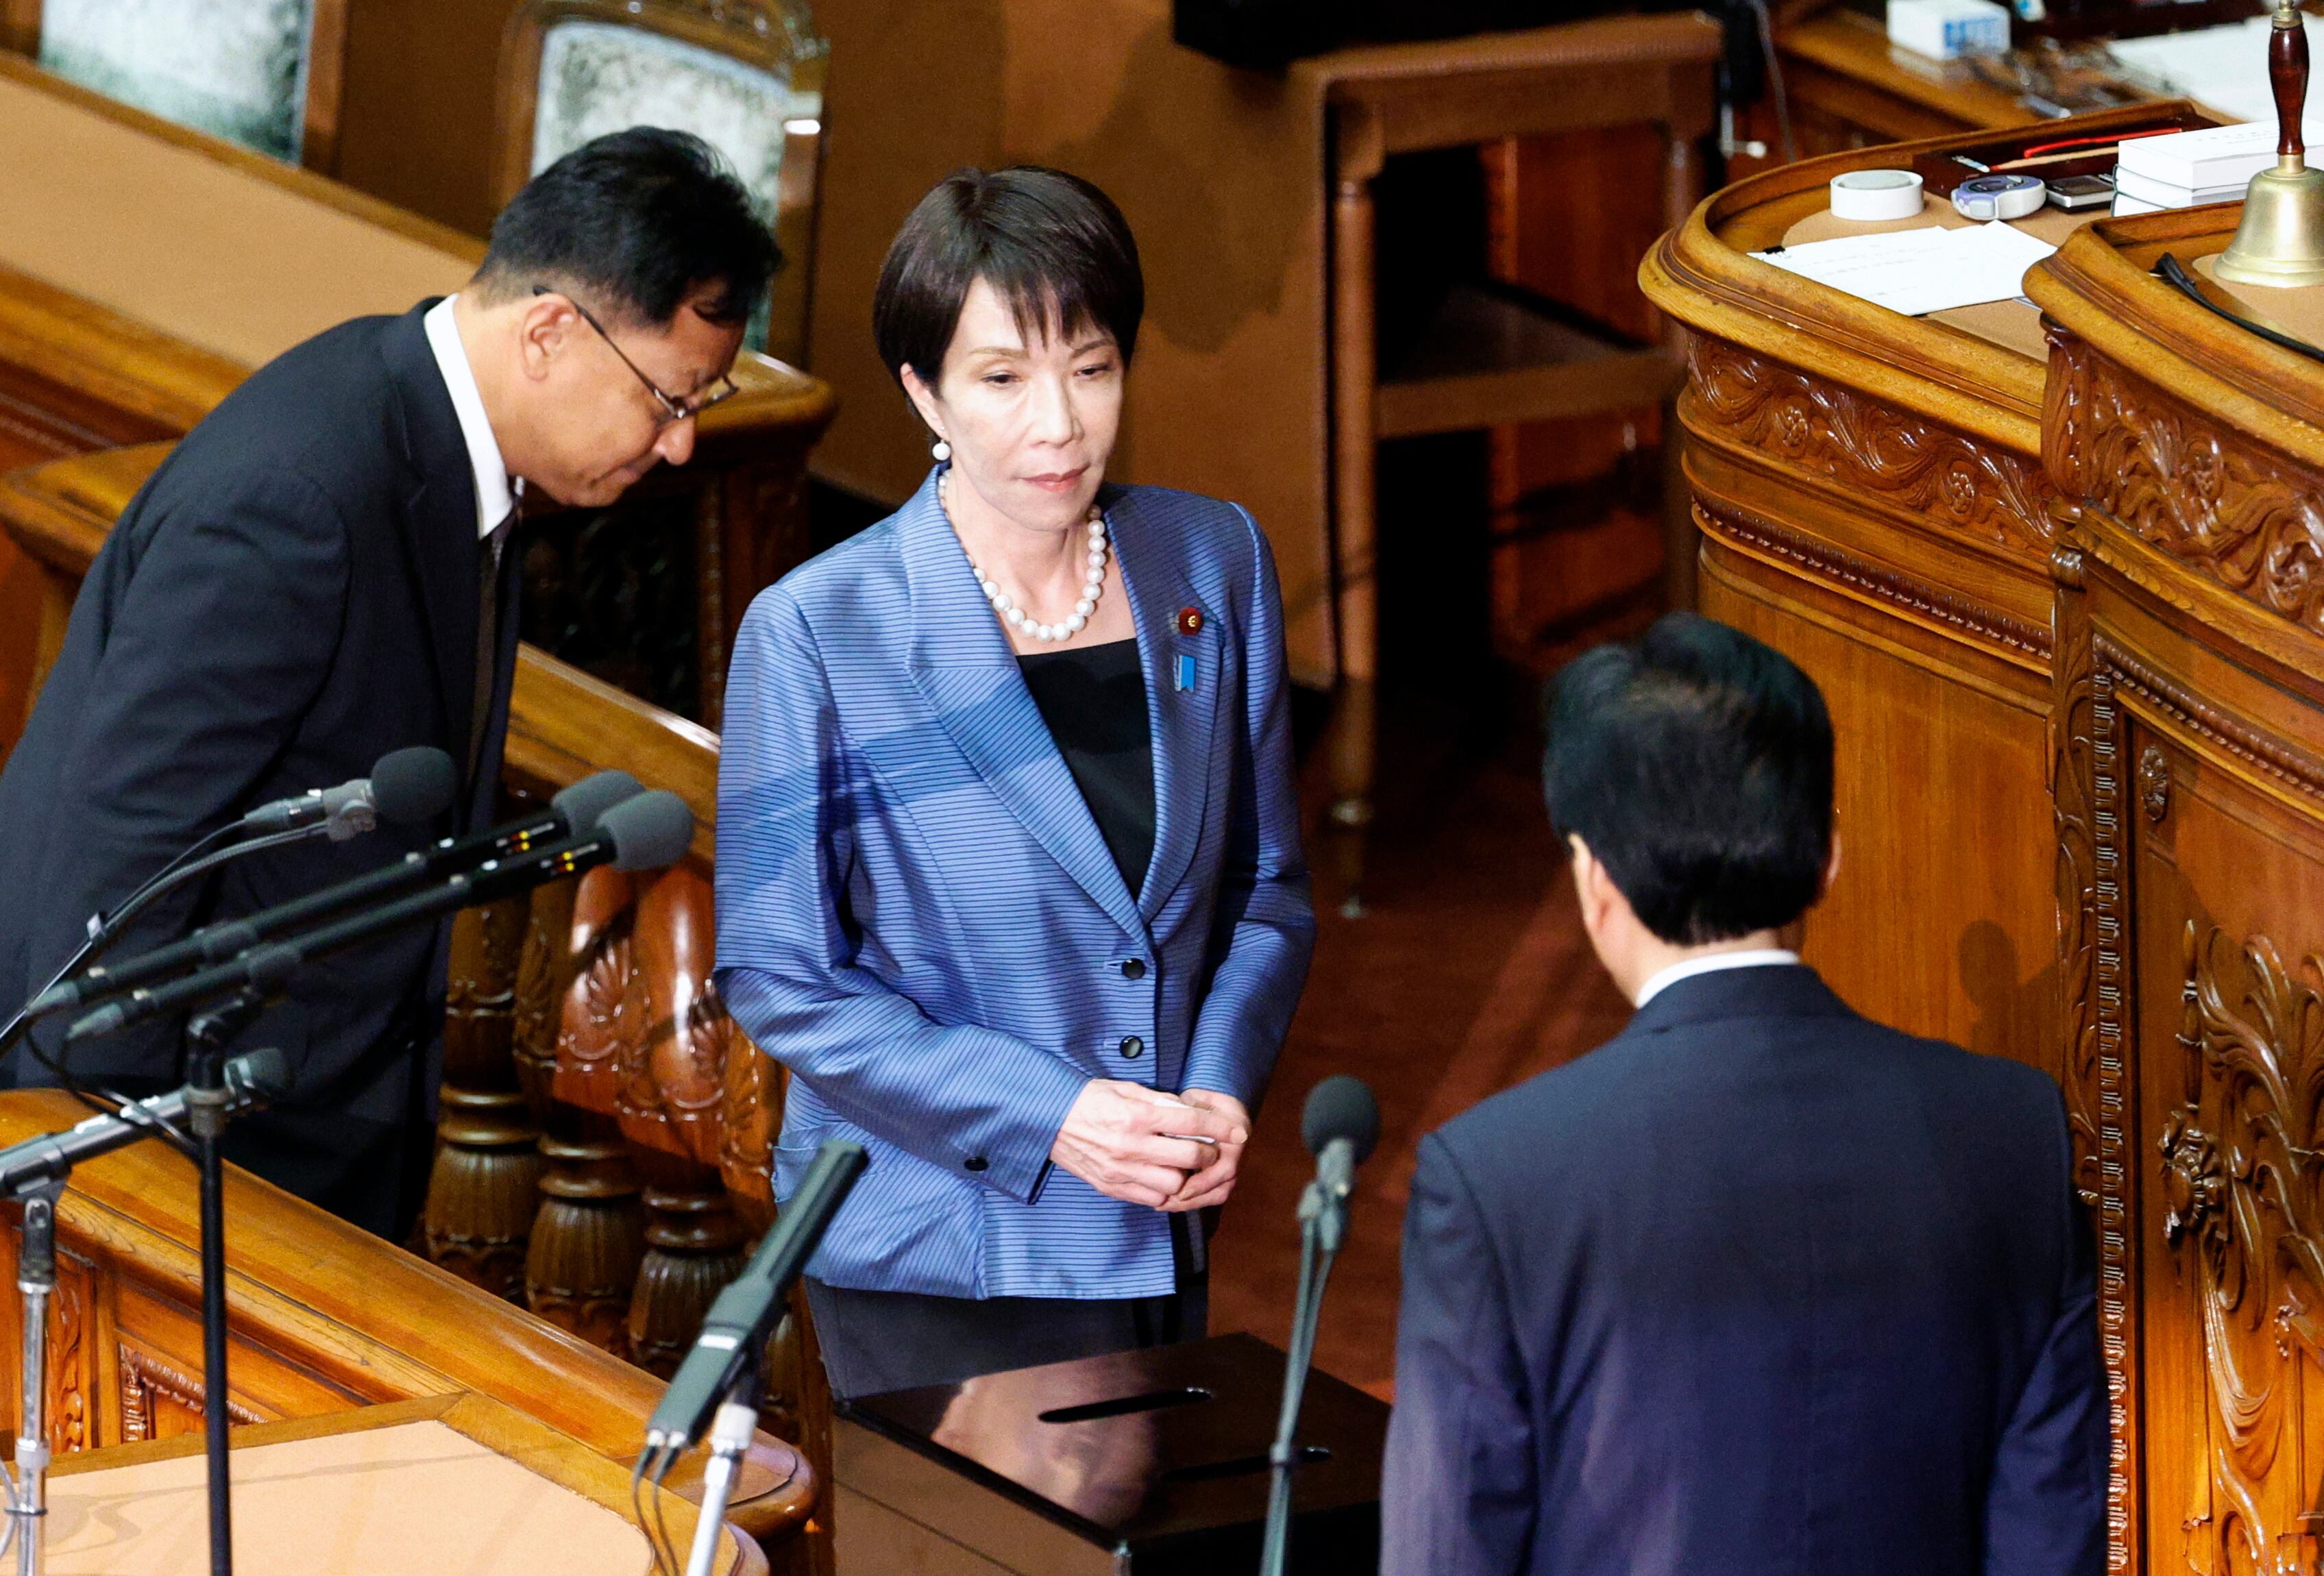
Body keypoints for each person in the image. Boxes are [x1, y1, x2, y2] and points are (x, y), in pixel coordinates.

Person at [0, 128, 774, 1238]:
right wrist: (93, 1195)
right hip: (185, 1145)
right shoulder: (300, 498)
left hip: (312, 1118)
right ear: (550, 331)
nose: (681, 445)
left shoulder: (431, 430)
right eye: (670, 399)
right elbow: (123, 849)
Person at [712, 167, 1314, 1399]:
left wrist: (1215, 1086)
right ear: (923, 392)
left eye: (1091, 369)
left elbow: (1265, 891)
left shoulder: (1212, 560)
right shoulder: (820, 630)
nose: (1060, 425)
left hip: (1156, 1209)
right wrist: (1053, 1113)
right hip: (940, 1242)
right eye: (1003, 379)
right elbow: (780, 978)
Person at [1381, 613, 2106, 1576]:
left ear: (1593, 878)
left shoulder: (1496, 1180)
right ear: (1827, 857)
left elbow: (1445, 1553)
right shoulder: (2013, 1134)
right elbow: (2052, 1540)